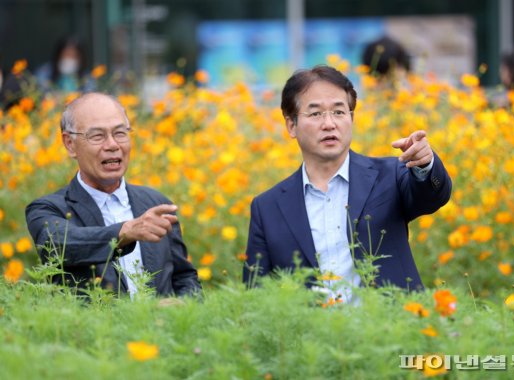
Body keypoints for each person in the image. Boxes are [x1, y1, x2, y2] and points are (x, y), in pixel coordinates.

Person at [243, 65, 452, 302]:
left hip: (392, 331)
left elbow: (433, 196)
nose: (329, 123)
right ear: (291, 125)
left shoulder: (390, 175)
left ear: (351, 118)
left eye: (339, 112)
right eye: (315, 113)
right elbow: (256, 296)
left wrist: (425, 164)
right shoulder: (267, 208)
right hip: (311, 335)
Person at [26, 92, 201, 298]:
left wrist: (182, 305)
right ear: (70, 144)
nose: (112, 145)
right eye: (97, 136)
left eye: (120, 133)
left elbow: (184, 278)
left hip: (157, 329)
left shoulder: (156, 203)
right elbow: (60, 246)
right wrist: (124, 232)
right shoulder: (48, 209)